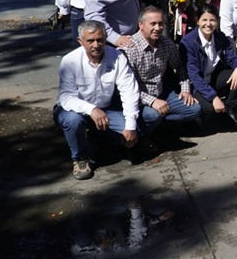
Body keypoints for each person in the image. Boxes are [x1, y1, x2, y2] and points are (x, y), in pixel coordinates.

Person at [54, 21, 159, 180]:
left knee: (135, 130)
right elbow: (66, 97)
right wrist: (91, 110)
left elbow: (129, 90)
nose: (96, 45)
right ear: (80, 41)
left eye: (100, 40)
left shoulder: (117, 57)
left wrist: (130, 126)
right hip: (74, 110)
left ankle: (96, 139)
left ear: (105, 39)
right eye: (90, 41)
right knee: (73, 121)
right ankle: (80, 158)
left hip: (105, 109)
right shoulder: (70, 61)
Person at [122, 7, 202, 135]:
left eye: (160, 24)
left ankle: (160, 128)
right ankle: (146, 133)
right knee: (153, 116)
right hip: (139, 98)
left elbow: (180, 66)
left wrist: (185, 89)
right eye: (153, 24)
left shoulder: (166, 43)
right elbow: (128, 88)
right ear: (141, 25)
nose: (158, 28)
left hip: (162, 92)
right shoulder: (130, 49)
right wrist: (152, 101)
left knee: (194, 109)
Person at [179, 4, 237, 130]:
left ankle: (230, 109)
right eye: (204, 20)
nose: (208, 24)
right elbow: (194, 75)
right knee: (209, 108)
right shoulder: (188, 42)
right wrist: (213, 97)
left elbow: (233, 56)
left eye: (212, 20)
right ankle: (209, 115)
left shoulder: (220, 37)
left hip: (213, 78)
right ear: (197, 21)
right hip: (197, 85)